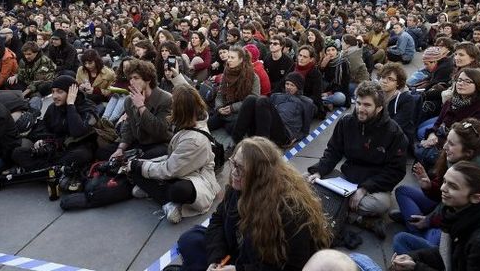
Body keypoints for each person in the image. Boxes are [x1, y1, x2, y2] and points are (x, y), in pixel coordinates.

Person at [177, 137, 331, 271]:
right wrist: (216, 260)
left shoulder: (290, 210)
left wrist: (239, 269)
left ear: (260, 174)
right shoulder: (236, 188)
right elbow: (218, 220)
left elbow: (293, 266)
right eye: (233, 163)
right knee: (189, 239)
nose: (233, 172)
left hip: (261, 266)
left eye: (241, 169)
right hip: (238, 256)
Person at [392, 118, 480, 255]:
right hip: (445, 208)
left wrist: (430, 220)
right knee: (403, 191)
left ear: (469, 152)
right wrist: (428, 186)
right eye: (447, 141)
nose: (444, 147)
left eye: (451, 144)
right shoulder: (455, 160)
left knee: (401, 240)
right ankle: (418, 231)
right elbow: (443, 192)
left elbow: (462, 216)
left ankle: (419, 233)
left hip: (462, 226)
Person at [306, 81, 408, 238]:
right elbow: (333, 151)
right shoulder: (346, 122)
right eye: (358, 103)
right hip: (346, 177)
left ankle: (333, 207)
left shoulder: (394, 133)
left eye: (367, 105)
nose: (360, 109)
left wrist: (365, 188)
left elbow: (396, 171)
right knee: (306, 180)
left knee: (380, 205)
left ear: (379, 108)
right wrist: (319, 171)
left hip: (374, 185)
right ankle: (358, 218)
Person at [390, 161, 480, 271]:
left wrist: (416, 267)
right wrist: (413, 257)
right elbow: (449, 255)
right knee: (401, 241)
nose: (443, 188)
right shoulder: (463, 214)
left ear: (476, 198)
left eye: (453, 186)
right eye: (444, 182)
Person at [127, 84, 220, 224]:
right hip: (180, 164)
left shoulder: (194, 140)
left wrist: (140, 167)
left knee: (178, 190)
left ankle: (165, 200)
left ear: (179, 110)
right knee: (138, 163)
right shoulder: (192, 118)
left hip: (196, 177)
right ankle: (154, 188)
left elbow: (170, 170)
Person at [11, 75, 97, 170]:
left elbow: (77, 131)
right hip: (56, 148)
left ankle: (45, 169)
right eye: (53, 92)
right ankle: (53, 169)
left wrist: (70, 105)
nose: (55, 96)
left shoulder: (88, 108)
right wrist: (42, 141)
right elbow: (44, 129)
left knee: (80, 155)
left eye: (60, 92)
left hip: (77, 147)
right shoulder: (53, 108)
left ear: (71, 93)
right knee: (18, 152)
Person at [415, 68, 480, 168]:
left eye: (467, 81)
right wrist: (432, 134)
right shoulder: (451, 101)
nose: (461, 83)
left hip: (456, 149)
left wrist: (439, 142)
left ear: (478, 85)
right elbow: (438, 122)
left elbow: (468, 140)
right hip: (441, 139)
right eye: (459, 80)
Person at [109, 59, 172, 160]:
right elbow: (129, 126)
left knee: (145, 158)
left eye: (136, 78)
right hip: (139, 141)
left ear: (148, 79)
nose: (131, 82)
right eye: (130, 78)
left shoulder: (165, 99)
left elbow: (160, 131)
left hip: (159, 143)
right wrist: (120, 149)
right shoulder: (129, 100)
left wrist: (141, 107)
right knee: (105, 152)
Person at [231, 72, 316, 146]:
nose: (288, 87)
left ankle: (262, 146)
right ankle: (236, 141)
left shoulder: (305, 102)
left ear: (299, 87)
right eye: (287, 84)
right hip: (266, 128)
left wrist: (297, 137)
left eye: (292, 85)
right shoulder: (276, 96)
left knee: (263, 100)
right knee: (251, 99)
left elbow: (305, 129)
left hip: (284, 133)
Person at [208, 46, 259, 136]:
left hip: (240, 111)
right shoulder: (226, 72)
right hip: (224, 109)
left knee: (232, 129)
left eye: (232, 58)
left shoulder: (252, 76)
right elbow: (220, 93)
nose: (229, 60)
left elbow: (253, 99)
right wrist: (219, 107)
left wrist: (233, 108)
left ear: (241, 59)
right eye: (229, 57)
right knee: (208, 124)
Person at [377, 63, 417, 144]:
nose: (384, 81)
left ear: (398, 82)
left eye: (390, 79)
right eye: (383, 77)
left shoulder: (407, 99)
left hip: (399, 137)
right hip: (380, 131)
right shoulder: (377, 93)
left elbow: (396, 125)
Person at [294, 45, 324, 118]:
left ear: (311, 59)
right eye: (300, 55)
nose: (301, 58)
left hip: (307, 102)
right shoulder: (292, 67)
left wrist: (298, 99)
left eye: (305, 57)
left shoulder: (316, 74)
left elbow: (316, 96)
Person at [320, 39, 351, 108]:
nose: (331, 52)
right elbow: (320, 78)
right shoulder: (325, 61)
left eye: (333, 50)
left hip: (339, 89)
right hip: (327, 87)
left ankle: (321, 101)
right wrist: (322, 67)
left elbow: (344, 83)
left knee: (340, 97)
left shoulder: (343, 62)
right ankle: (326, 102)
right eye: (328, 50)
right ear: (325, 53)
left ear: (337, 51)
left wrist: (329, 93)